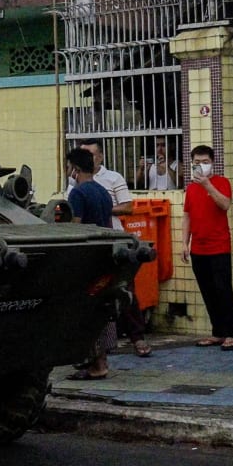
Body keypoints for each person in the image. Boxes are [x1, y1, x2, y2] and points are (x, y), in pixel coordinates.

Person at [79, 139, 151, 357]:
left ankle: (137, 338)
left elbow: (128, 207)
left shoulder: (113, 178)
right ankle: (101, 345)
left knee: (124, 288)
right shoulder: (76, 180)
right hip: (89, 240)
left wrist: (102, 209)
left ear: (100, 156)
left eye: (91, 154)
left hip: (114, 239)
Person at [182, 144, 233, 350]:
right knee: (207, 291)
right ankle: (217, 332)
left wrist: (207, 185)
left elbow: (225, 204)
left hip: (219, 246)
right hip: (198, 247)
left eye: (205, 162)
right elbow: (187, 215)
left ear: (213, 162)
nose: (200, 166)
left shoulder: (221, 182)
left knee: (223, 289)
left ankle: (231, 334)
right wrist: (184, 242)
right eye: (196, 162)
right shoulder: (190, 188)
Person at [65, 147, 116, 380]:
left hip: (87, 260)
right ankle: (100, 361)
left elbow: (75, 228)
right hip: (106, 258)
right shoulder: (103, 192)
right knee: (100, 311)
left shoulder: (77, 193)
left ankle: (96, 365)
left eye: (68, 168)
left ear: (75, 169)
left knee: (85, 313)